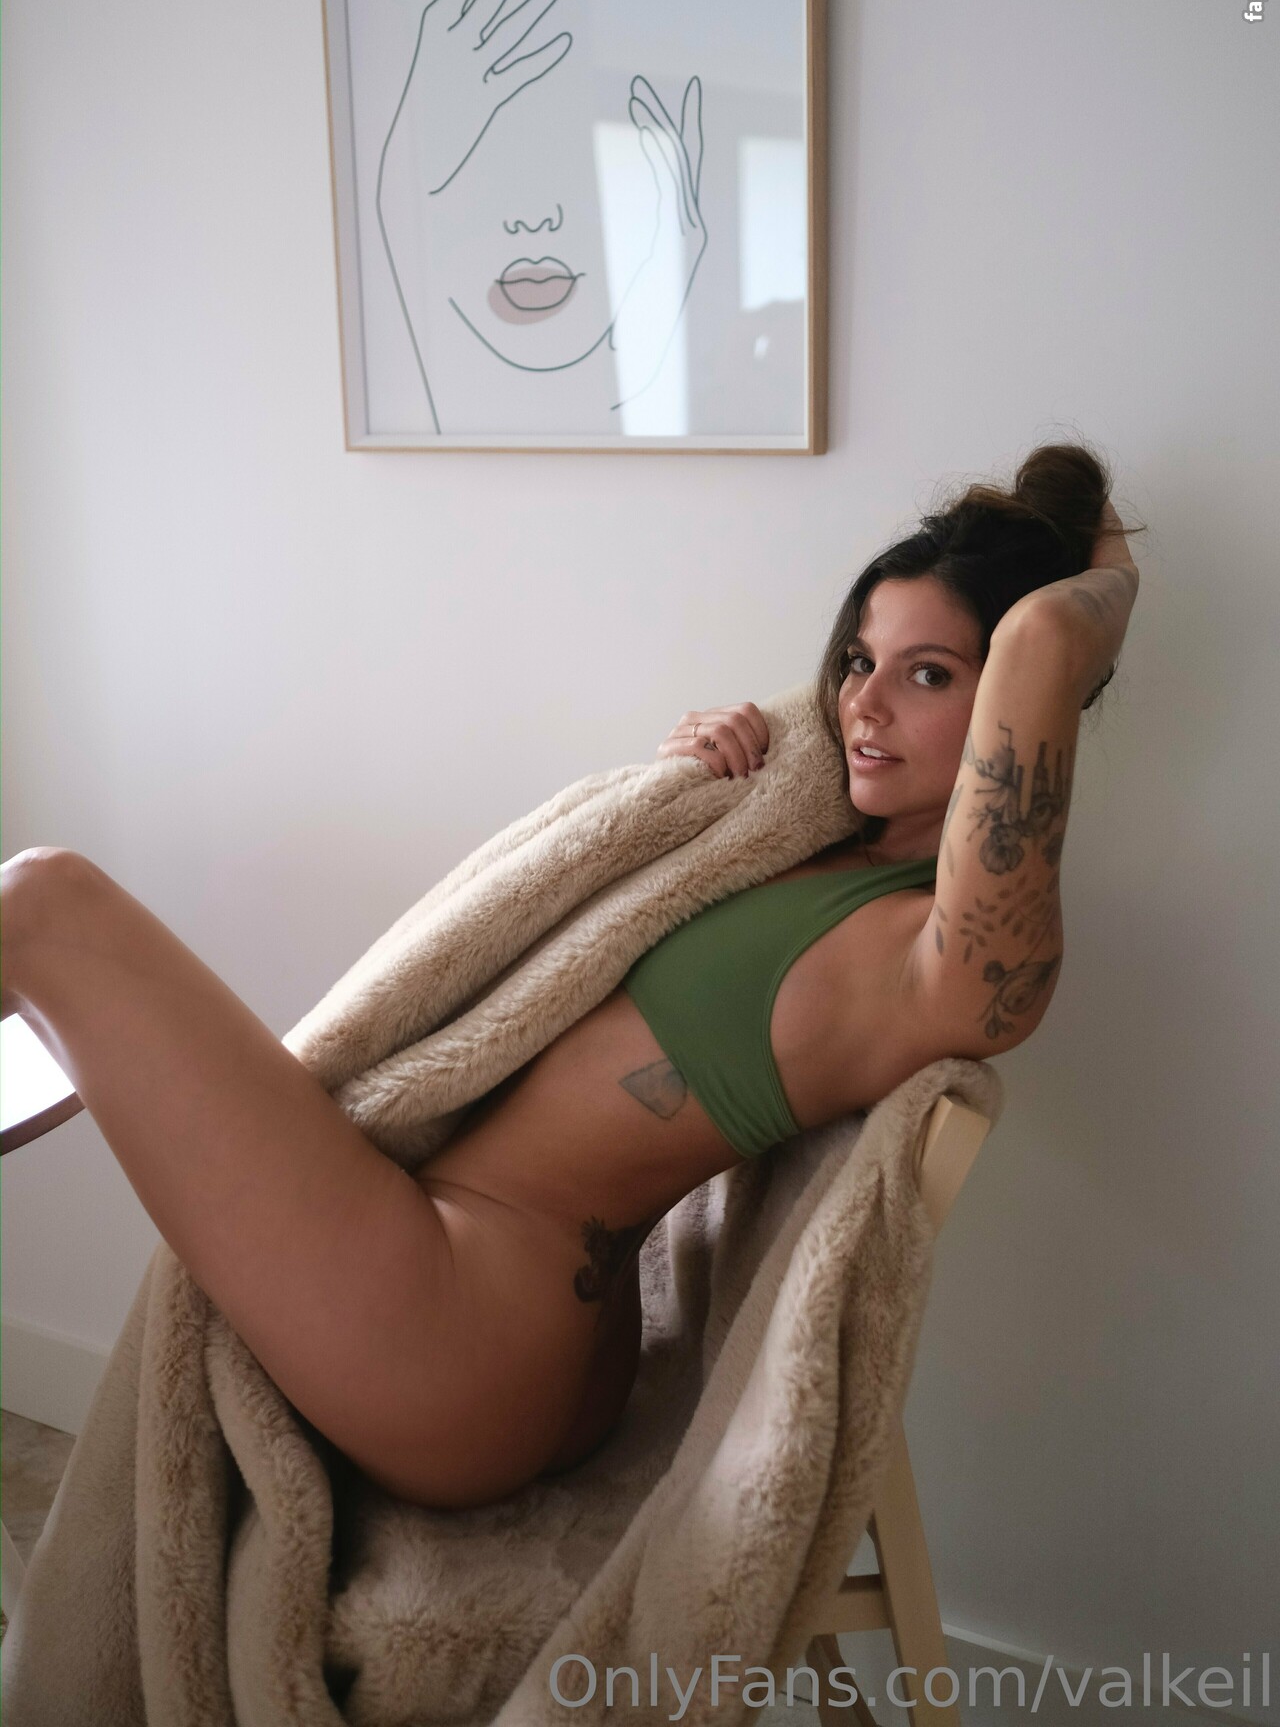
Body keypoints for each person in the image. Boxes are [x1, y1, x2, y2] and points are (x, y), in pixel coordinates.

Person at [0, 441, 1140, 1510]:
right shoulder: (807, 840)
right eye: (857, 662)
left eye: (929, 674)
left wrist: (1091, 599)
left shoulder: (938, 960)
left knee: (43, 904)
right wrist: (684, 787)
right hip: (505, 1314)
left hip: (462, 1330)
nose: (864, 706)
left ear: (1016, 696)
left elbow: (1043, 641)